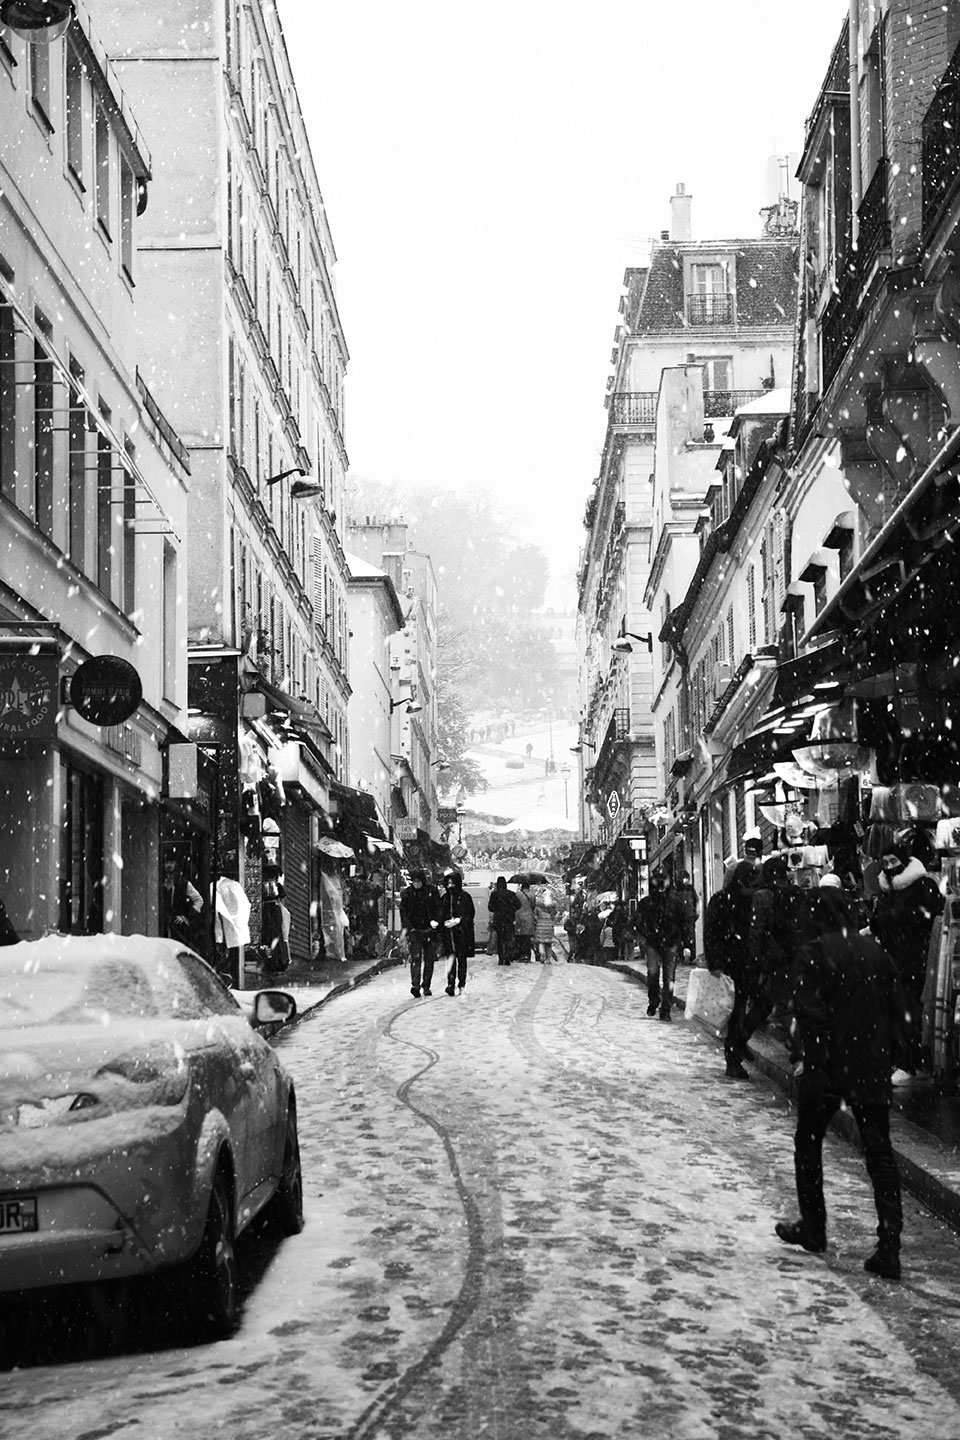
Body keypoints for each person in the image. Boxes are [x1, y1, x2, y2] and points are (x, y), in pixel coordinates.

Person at [776, 887, 907, 1281]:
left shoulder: (812, 954)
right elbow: (899, 1010)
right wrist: (890, 1056)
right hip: (868, 1064)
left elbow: (808, 1011)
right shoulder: (875, 953)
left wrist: (815, 1051)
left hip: (829, 1064)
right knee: (879, 1152)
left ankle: (814, 1226)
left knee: (809, 1141)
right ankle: (889, 1246)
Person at [869, 841, 943, 1075]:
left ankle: (910, 1061)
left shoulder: (922, 884)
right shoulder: (887, 891)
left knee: (910, 1010)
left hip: (916, 959)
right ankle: (901, 1058)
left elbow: (927, 918)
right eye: (886, 863)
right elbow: (878, 922)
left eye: (894, 861)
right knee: (896, 1010)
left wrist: (894, 918)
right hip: (894, 960)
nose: (890, 867)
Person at [703, 860, 760, 1077]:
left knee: (760, 1003)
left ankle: (740, 1040)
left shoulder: (754, 899)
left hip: (749, 963)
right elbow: (711, 933)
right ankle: (733, 1058)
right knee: (735, 1011)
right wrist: (715, 963)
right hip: (732, 964)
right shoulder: (722, 901)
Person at [633, 872, 685, 1020]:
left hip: (668, 943)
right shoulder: (647, 903)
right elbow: (637, 922)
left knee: (666, 977)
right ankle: (655, 1001)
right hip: (656, 943)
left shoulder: (675, 902)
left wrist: (684, 942)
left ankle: (665, 1009)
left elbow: (684, 923)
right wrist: (648, 934)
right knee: (655, 975)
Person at [399, 869, 441, 997]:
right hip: (415, 931)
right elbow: (404, 913)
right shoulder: (407, 894)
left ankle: (426, 985)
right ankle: (415, 985)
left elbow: (438, 909)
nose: (416, 884)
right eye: (414, 881)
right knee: (416, 959)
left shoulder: (432, 892)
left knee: (429, 960)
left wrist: (435, 924)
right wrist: (409, 928)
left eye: (418, 881)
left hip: (429, 931)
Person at [439, 871, 475, 995]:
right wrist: (443, 923)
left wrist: (459, 920)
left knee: (462, 960)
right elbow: (440, 913)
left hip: (462, 934)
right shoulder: (445, 898)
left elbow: (470, 914)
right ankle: (450, 983)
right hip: (448, 934)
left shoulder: (465, 897)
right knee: (450, 960)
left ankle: (461, 984)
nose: (450, 886)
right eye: (448, 883)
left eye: (452, 883)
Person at [488, 876, 520, 966]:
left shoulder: (494, 895)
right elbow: (518, 905)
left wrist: (498, 909)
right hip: (509, 919)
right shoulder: (511, 894)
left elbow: (490, 907)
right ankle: (507, 956)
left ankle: (501, 957)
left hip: (498, 919)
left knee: (500, 939)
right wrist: (510, 910)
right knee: (508, 938)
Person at [674, 872, 699, 960]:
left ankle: (688, 955)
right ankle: (686, 955)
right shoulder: (678, 890)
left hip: (686, 917)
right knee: (686, 937)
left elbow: (696, 901)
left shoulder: (687, 889)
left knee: (688, 937)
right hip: (684, 917)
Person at [513, 879, 537, 963]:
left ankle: (520, 954)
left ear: (522, 887)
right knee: (527, 938)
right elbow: (533, 906)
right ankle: (527, 955)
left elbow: (515, 905)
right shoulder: (532, 895)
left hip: (519, 917)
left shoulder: (518, 894)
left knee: (520, 938)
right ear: (529, 887)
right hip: (529, 917)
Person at [534, 885, 557, 962]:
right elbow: (554, 915)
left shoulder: (538, 905)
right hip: (549, 925)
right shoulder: (552, 906)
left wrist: (538, 920)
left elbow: (535, 915)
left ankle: (542, 954)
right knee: (549, 943)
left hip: (540, 925)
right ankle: (548, 959)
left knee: (541, 942)